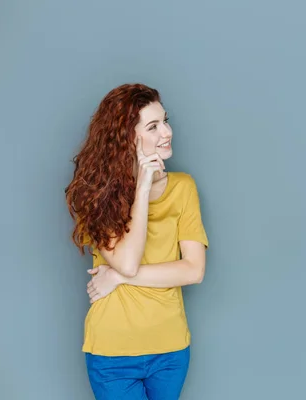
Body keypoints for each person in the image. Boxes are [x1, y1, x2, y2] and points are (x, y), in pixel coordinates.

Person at [64, 83, 209, 400]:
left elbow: (193, 271)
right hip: (113, 352)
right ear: (128, 137)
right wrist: (142, 189)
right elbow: (128, 260)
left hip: (171, 350)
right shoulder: (95, 195)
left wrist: (116, 277)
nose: (167, 132)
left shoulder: (183, 188)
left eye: (165, 121)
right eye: (153, 126)